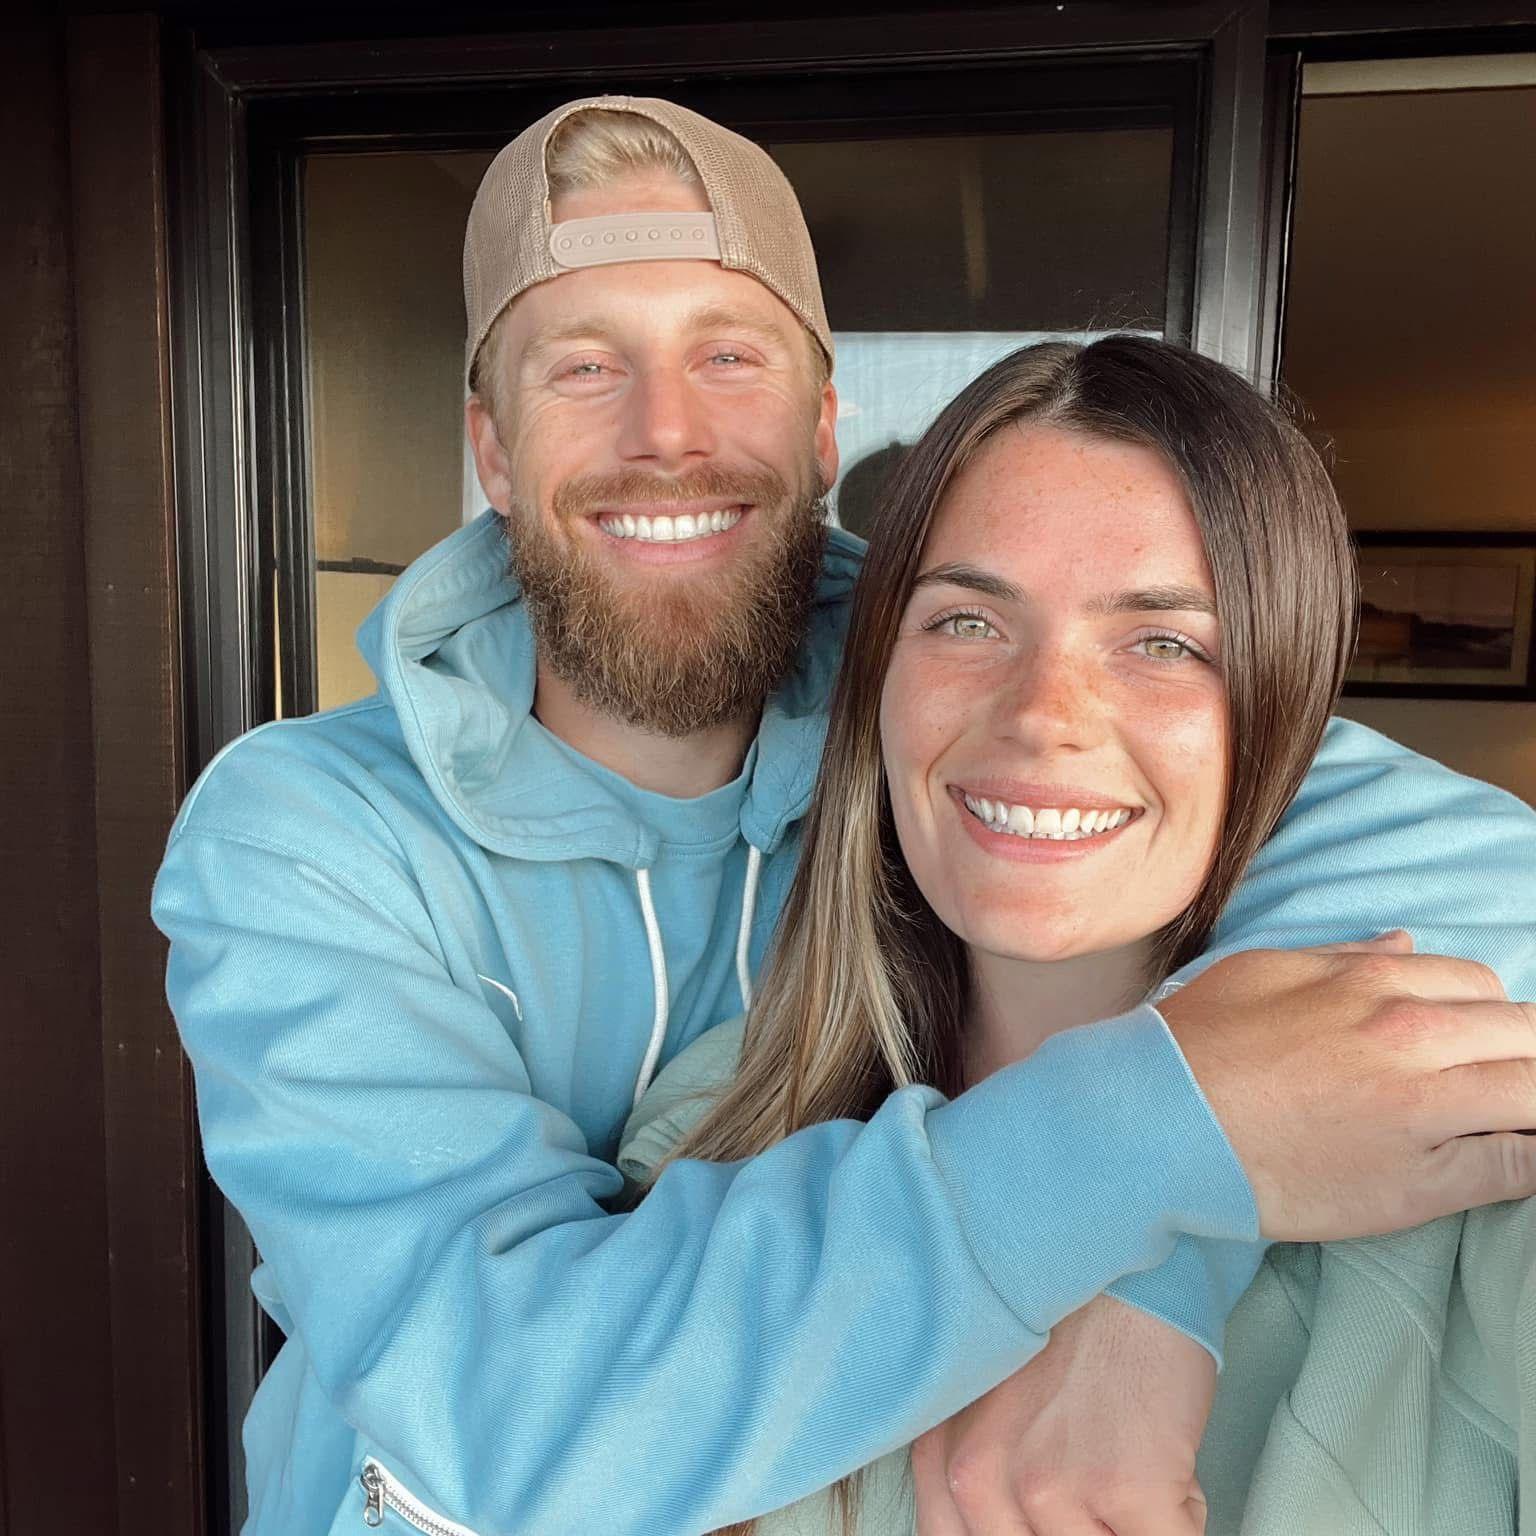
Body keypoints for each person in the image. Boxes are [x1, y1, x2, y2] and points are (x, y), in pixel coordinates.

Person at [152, 96, 1536, 1535]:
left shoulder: (947, 701)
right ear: (493, 452)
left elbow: (1430, 852)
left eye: (728, 356)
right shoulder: (307, 838)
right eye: (584, 367)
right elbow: (507, 1406)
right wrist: (1154, 1146)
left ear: (823, 431)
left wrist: (1155, 1270)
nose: (665, 434)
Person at [618, 334, 1536, 1535]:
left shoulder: (1468, 1166)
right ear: (878, 674)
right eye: (966, 622)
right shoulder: (708, 1127)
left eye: (1164, 643)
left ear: (1282, 711)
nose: (1044, 717)